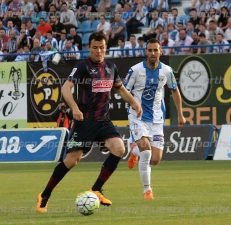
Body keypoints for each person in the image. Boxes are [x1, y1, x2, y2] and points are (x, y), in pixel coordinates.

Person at [36, 31, 142, 213]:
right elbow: (66, 88)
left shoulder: (111, 66)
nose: (98, 51)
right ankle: (44, 195)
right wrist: (75, 109)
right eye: (95, 48)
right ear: (89, 48)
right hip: (84, 122)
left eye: (102, 48)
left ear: (106, 48)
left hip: (103, 121)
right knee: (71, 160)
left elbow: (120, 88)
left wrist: (134, 102)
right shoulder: (83, 66)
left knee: (119, 149)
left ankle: (96, 189)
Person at [124, 38, 186, 200]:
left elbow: (175, 91)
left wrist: (180, 113)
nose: (152, 53)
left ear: (160, 52)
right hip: (137, 117)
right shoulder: (135, 70)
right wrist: (133, 104)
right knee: (146, 153)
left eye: (155, 50)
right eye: (150, 50)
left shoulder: (167, 71)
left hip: (157, 118)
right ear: (146, 52)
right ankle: (147, 190)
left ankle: (133, 151)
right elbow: (123, 90)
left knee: (156, 159)